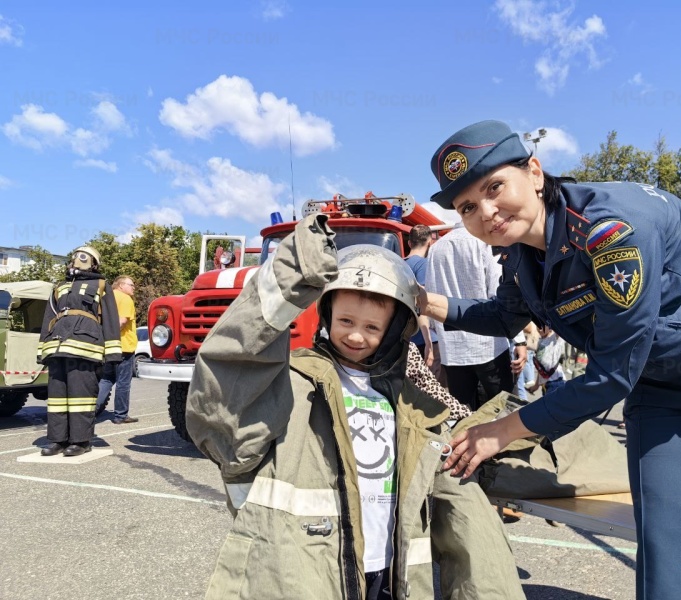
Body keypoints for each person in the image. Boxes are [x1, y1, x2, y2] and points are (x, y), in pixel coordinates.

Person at [418, 120, 681, 598]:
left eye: (495, 187)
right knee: (667, 551)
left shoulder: (611, 229)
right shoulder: (518, 254)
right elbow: (501, 317)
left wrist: (505, 428)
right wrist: (421, 301)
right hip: (660, 384)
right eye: (468, 207)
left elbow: (612, 374)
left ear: (534, 172)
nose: (487, 212)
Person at [185, 215, 524, 600]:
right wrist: (289, 275)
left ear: (394, 330)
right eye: (345, 320)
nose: (357, 335)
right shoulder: (292, 382)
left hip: (388, 569)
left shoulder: (412, 398)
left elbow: (451, 446)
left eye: (373, 327)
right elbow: (227, 394)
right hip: (307, 573)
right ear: (326, 315)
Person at [37, 247, 122, 456]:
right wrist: (42, 350)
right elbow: (49, 317)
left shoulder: (101, 285)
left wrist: (112, 354)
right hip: (57, 347)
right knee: (57, 396)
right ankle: (57, 440)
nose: (77, 259)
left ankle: (81, 441)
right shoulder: (59, 287)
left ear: (93, 262)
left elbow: (110, 319)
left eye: (83, 256)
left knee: (80, 395)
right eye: (75, 255)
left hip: (86, 346)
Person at [426, 221, 515, 411]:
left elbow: (431, 299)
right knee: (502, 410)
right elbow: (498, 292)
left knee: (463, 414)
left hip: (452, 348)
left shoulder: (435, 249)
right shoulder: (484, 241)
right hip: (489, 344)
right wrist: (519, 340)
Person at [404, 224, 446, 386]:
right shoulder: (423, 265)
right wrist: (429, 341)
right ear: (429, 243)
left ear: (409, 243)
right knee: (432, 385)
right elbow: (424, 303)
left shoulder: (400, 264)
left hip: (409, 336)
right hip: (426, 337)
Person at [96, 275, 139, 424]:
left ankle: (91, 411)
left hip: (108, 347)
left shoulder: (105, 297)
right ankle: (121, 415)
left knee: (107, 379)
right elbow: (121, 321)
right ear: (120, 285)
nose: (133, 288)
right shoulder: (125, 299)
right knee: (123, 382)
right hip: (124, 347)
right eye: (131, 285)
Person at [525, 324, 566, 397]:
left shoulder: (555, 339)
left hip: (556, 382)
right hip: (546, 385)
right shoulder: (540, 341)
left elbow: (559, 326)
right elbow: (541, 369)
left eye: (543, 324)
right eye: (538, 324)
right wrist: (536, 385)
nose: (540, 327)